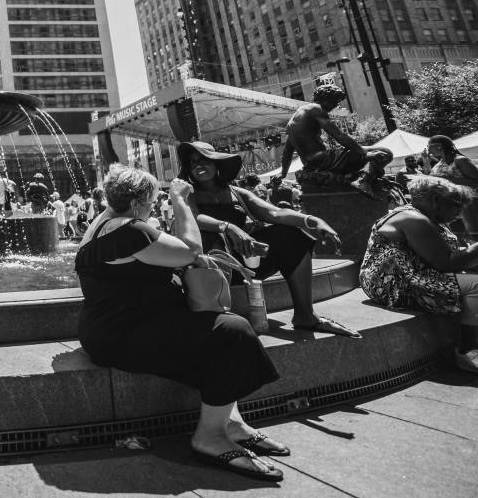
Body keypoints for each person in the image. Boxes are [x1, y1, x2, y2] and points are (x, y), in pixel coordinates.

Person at [75, 166, 284, 481]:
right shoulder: (130, 232)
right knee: (233, 331)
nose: (153, 207)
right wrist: (180, 201)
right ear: (136, 204)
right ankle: (210, 438)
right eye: (151, 202)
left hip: (121, 326)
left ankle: (231, 423)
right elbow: (190, 250)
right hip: (122, 334)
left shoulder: (105, 223)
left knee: (218, 331)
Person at [178, 141, 360, 338]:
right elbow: (194, 217)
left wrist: (312, 220)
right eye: (193, 162)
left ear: (217, 163)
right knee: (210, 237)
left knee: (292, 235)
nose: (198, 165)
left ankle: (305, 315)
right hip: (212, 268)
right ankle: (217, 319)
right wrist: (229, 227)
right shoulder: (188, 194)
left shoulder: (237, 192)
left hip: (247, 262)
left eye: (204, 159)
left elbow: (275, 213)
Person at [359, 175, 478, 372]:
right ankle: (468, 351)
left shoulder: (428, 217)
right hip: (392, 283)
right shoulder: (413, 219)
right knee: (476, 285)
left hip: (416, 273)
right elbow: (446, 263)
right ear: (436, 200)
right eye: (456, 205)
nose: (460, 212)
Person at [280, 84, 392, 198]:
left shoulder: (293, 120)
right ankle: (363, 181)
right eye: (335, 101)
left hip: (310, 164)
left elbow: (287, 152)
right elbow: (339, 135)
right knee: (385, 152)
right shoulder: (316, 109)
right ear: (325, 98)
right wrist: (364, 152)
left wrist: (283, 174)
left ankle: (357, 178)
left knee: (361, 159)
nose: (336, 105)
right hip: (325, 160)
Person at [425, 135, 478, 237]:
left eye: (429, 145)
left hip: (469, 204)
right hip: (450, 205)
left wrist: (449, 180)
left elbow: (476, 181)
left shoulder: (460, 160)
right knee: (460, 237)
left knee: (474, 235)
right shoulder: (441, 162)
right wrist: (426, 161)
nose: (428, 148)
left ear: (439, 146)